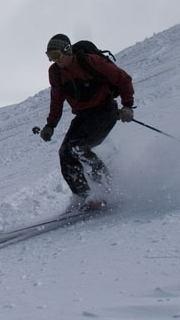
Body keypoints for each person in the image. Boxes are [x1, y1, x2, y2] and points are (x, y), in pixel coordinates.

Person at [39, 33, 135, 210]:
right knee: (65, 153)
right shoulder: (55, 73)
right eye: (50, 57)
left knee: (78, 147)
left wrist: (127, 106)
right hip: (83, 116)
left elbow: (123, 78)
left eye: (57, 56)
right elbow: (56, 100)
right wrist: (50, 125)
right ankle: (83, 196)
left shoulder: (90, 62)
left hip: (104, 111)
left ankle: (108, 189)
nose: (54, 61)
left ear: (67, 51)